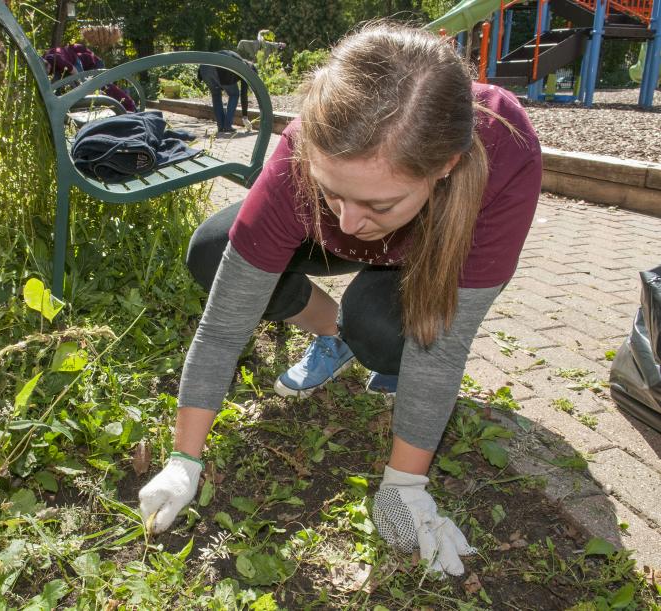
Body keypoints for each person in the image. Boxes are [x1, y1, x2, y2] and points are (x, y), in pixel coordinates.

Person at [138, 23, 542, 577]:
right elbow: (223, 328)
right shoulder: (302, 156)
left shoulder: (505, 158)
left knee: (378, 327)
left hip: (422, 256)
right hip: (329, 240)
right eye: (333, 192)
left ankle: (358, 330)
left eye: (377, 202)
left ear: (444, 167)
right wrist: (184, 460)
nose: (349, 221)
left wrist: (405, 485)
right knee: (213, 249)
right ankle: (333, 333)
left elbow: (441, 349)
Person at [197, 50, 257, 133]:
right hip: (218, 68)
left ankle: (221, 127)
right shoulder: (245, 69)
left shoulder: (238, 60)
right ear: (251, 71)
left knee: (216, 95)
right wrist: (245, 117)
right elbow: (243, 94)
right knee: (234, 94)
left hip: (203, 68)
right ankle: (227, 126)